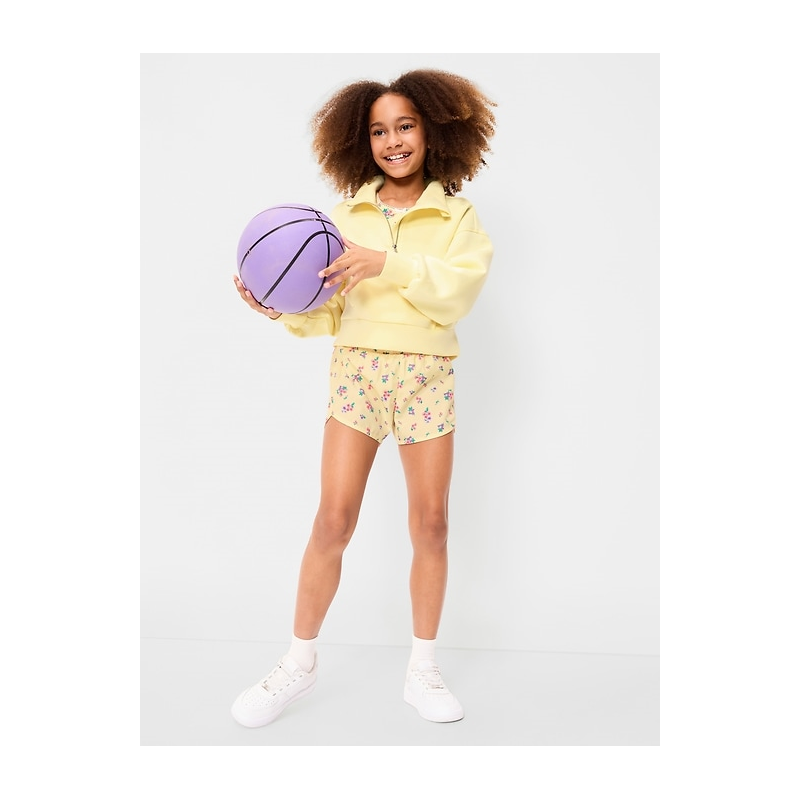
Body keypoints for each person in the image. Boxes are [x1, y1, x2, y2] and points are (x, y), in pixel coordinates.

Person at [231, 68, 496, 727]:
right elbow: (325, 312)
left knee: (431, 525)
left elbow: (456, 295)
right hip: (356, 374)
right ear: (362, 141)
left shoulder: (458, 217)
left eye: (405, 126)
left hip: (427, 376)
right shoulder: (342, 219)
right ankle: (298, 663)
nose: (393, 140)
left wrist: (387, 263)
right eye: (379, 131)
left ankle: (423, 668)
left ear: (432, 132)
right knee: (333, 521)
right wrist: (278, 308)